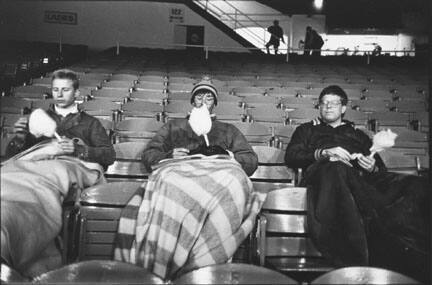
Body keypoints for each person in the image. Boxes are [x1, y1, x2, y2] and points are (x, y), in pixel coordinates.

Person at [284, 85, 429, 283]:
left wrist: (371, 167)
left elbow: (379, 167)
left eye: (334, 103)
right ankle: (364, 250)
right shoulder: (306, 129)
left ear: (343, 108)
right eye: (323, 103)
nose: (328, 107)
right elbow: (292, 156)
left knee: (415, 184)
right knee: (337, 168)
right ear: (318, 107)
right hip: (324, 175)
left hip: (358, 179)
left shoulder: (357, 134)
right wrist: (323, 153)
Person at [142, 77, 258, 176]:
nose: (203, 102)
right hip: (180, 176)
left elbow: (251, 160)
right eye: (199, 97)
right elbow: (149, 154)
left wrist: (228, 156)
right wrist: (168, 156)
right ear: (192, 102)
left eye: (209, 98)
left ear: (215, 104)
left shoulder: (228, 130)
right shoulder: (173, 126)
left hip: (217, 178)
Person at [5, 69, 115, 169]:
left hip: (71, 172)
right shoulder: (38, 120)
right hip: (39, 170)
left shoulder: (91, 123)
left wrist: (78, 149)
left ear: (76, 93)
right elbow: (14, 157)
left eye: (65, 90)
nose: (60, 94)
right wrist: (20, 139)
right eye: (56, 89)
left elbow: (109, 155)